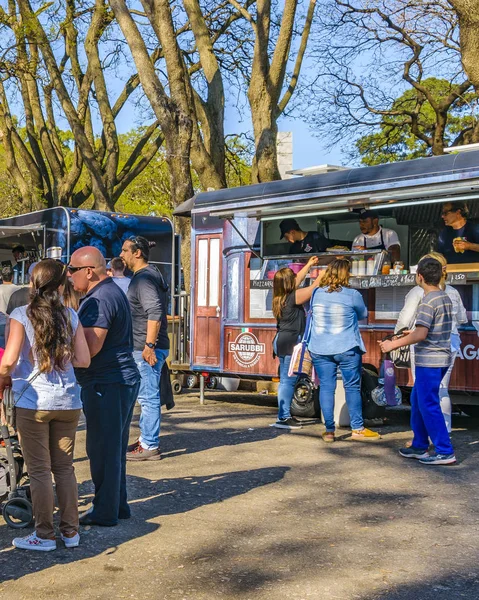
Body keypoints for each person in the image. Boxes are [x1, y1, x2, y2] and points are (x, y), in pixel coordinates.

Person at [0, 259, 90, 551]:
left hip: (33, 402)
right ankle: (71, 532)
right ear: (62, 285)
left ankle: (44, 535)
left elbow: (9, 360)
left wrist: (4, 380)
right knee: (64, 469)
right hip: (68, 401)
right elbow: (84, 360)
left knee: (39, 471)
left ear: (33, 283)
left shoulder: (20, 314)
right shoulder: (71, 316)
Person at [69, 247, 140, 526]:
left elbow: (91, 348)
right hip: (117, 380)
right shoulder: (108, 293)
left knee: (103, 449)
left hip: (108, 382)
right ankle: (117, 505)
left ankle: (105, 511)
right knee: (113, 447)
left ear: (89, 271)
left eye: (72, 269)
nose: (69, 275)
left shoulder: (100, 298)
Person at [380, 257, 455, 465]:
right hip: (442, 357)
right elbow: (432, 328)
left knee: (429, 404)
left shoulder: (427, 300)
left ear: (419, 277)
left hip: (428, 360)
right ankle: (419, 445)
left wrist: (393, 345)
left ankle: (444, 450)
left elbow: (421, 334)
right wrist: (411, 333)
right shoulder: (444, 297)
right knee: (417, 400)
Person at [308, 258, 381, 442]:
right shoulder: (352, 294)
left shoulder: (316, 293)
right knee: (352, 387)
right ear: (345, 274)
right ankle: (357, 429)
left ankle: (330, 431)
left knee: (326, 387)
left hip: (320, 347)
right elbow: (363, 314)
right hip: (347, 346)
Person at [396, 252, 467, 433]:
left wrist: (396, 338)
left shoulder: (418, 292)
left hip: (426, 346)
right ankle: (445, 431)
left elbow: (405, 319)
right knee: (442, 389)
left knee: (422, 391)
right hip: (450, 343)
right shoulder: (452, 291)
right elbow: (462, 318)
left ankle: (425, 436)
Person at [120, 236, 169, 461]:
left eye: (124, 251)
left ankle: (149, 445)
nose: (121, 255)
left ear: (137, 253)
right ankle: (145, 439)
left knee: (148, 397)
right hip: (143, 346)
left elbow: (155, 311)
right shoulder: (148, 275)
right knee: (145, 396)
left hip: (145, 347)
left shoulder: (143, 280)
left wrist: (149, 346)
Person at [272, 256, 322, 429]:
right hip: (289, 341)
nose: (296, 279)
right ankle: (283, 417)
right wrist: (323, 275)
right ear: (288, 283)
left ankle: (283, 416)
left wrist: (309, 264)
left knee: (287, 379)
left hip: (282, 340)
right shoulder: (293, 297)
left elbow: (297, 280)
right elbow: (313, 288)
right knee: (288, 381)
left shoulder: (281, 296)